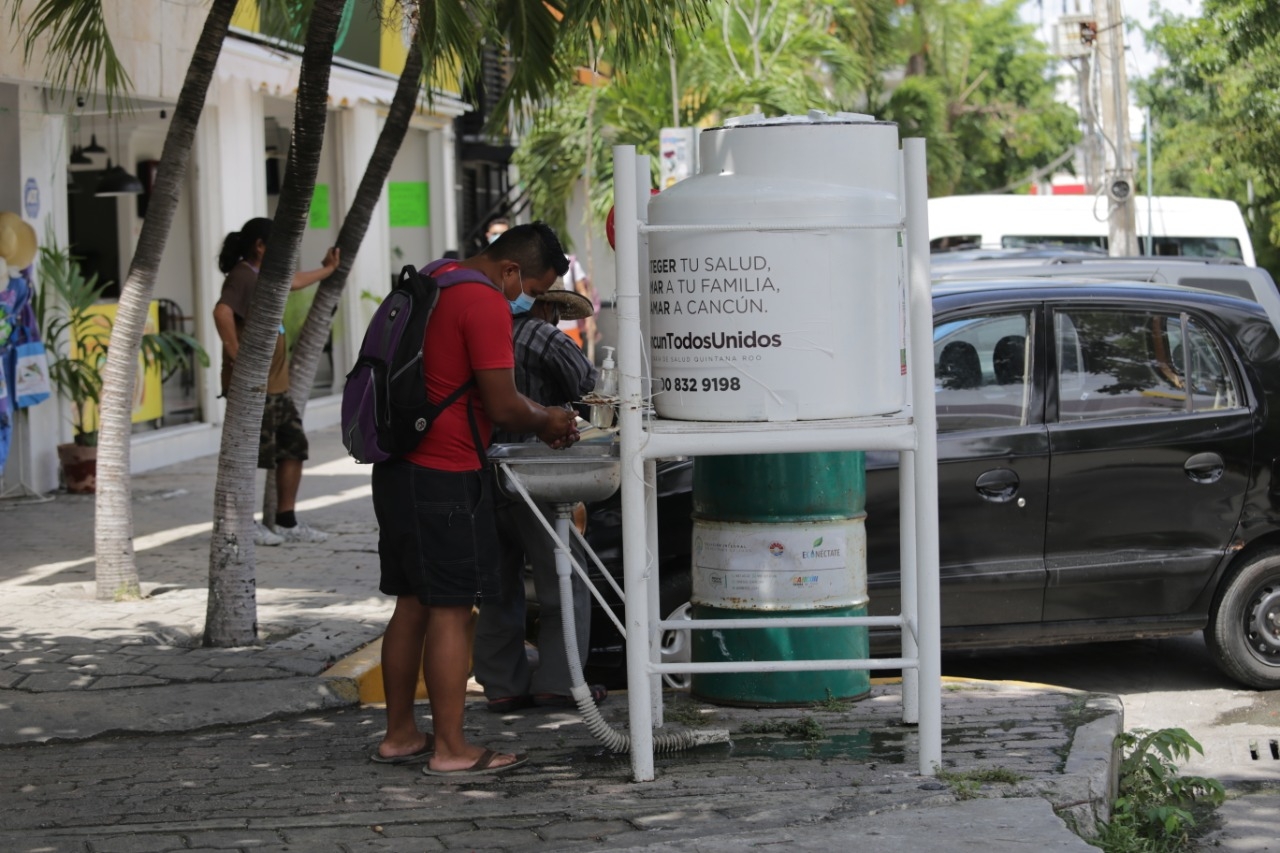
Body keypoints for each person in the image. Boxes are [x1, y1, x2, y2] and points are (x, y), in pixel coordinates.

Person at [370, 222, 579, 776]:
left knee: (412, 603)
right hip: (444, 473)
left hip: (397, 468)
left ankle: (399, 735)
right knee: (453, 609)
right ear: (510, 270)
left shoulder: (435, 279)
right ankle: (452, 748)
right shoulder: (482, 302)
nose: (525, 300)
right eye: (530, 288)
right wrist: (550, 419)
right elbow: (506, 404)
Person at [474, 284, 601, 713]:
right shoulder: (542, 335)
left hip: (479, 470)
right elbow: (593, 394)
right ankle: (560, 683)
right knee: (564, 577)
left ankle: (501, 684)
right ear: (546, 306)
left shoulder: (479, 332)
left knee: (496, 585)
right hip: (536, 473)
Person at [212, 217, 338, 546]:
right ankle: (243, 523)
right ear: (260, 246)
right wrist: (238, 355)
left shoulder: (265, 276)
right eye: (281, 244)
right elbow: (222, 311)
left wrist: (326, 271)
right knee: (252, 457)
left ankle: (286, 521)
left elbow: (294, 281)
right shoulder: (242, 275)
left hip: (277, 389)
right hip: (256, 390)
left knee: (293, 448)